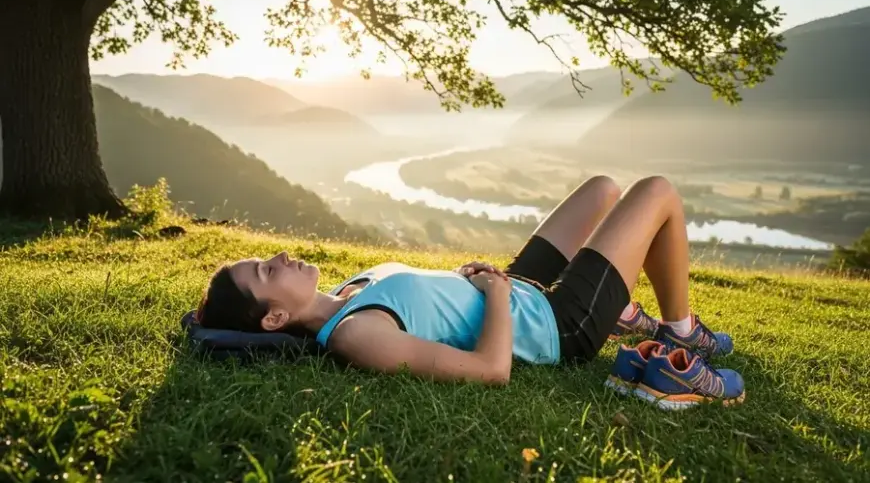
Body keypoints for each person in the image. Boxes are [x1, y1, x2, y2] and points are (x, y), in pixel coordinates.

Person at [197, 175, 745, 408]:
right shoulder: (356, 335)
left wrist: (469, 279)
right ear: (274, 319)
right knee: (657, 191)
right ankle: (680, 331)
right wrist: (497, 295)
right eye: (265, 272)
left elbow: (431, 305)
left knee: (602, 189)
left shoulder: (348, 291)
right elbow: (491, 371)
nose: (278, 258)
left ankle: (620, 307)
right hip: (554, 324)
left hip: (512, 286)